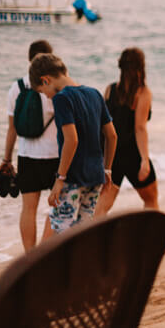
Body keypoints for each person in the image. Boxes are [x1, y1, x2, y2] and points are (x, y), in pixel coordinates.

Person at [29, 52, 116, 236]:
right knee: (83, 232)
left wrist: (60, 179)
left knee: (62, 235)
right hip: (95, 176)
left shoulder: (62, 98)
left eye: (42, 92)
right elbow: (112, 136)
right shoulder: (94, 94)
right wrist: (107, 169)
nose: (47, 97)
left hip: (72, 177)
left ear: (45, 80)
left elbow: (72, 140)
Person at [0, 39, 59, 251]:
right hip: (54, 155)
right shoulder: (54, 86)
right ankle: (44, 251)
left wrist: (7, 159)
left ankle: (30, 256)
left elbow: (12, 129)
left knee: (28, 209)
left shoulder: (16, 88)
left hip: (27, 156)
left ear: (29, 59)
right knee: (58, 207)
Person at [95, 48, 163, 218]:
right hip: (132, 154)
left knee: (102, 206)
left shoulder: (110, 90)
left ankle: (95, 234)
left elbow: (101, 123)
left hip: (110, 154)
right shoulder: (143, 93)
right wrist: (145, 160)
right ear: (141, 67)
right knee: (151, 199)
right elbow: (140, 128)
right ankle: (154, 233)